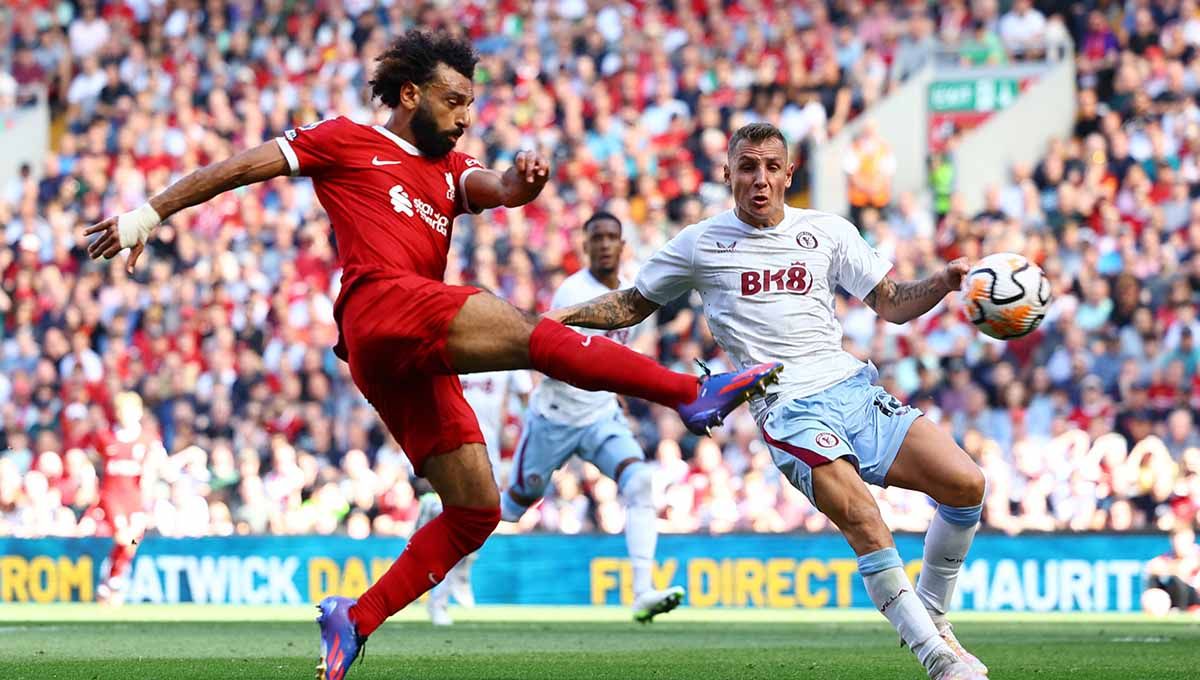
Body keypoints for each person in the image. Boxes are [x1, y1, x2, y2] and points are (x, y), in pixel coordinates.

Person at [82, 31, 780, 679]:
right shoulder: (345, 138)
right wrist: (148, 215)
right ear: (410, 94)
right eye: (453, 101)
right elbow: (242, 168)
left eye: (471, 105)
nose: (464, 117)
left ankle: (355, 618)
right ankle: (688, 394)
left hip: (395, 355)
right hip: (381, 304)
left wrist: (521, 188)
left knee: (475, 508)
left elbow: (495, 189)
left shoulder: (451, 166)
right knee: (536, 336)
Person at [549, 123, 988, 680]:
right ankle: (939, 659)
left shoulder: (828, 231)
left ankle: (931, 614)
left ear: (788, 174)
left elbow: (894, 304)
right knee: (863, 516)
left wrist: (944, 281)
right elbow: (633, 305)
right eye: (747, 168)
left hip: (854, 388)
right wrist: (561, 318)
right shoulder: (700, 242)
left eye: (770, 167)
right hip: (787, 407)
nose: (759, 180)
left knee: (966, 484)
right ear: (728, 174)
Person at [502, 211, 685, 623]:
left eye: (611, 237)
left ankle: (643, 592)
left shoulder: (636, 292)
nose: (604, 244)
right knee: (511, 510)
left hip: (599, 415)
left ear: (623, 245)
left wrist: (615, 391)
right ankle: (447, 573)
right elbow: (560, 358)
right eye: (596, 237)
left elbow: (617, 355)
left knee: (640, 480)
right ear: (585, 246)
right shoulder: (572, 293)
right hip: (556, 416)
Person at [424, 363, 532, 626]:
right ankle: (439, 601)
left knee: (487, 517)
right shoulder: (453, 346)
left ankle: (435, 515)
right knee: (459, 520)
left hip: (489, 448)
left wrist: (525, 440)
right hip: (451, 444)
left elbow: (528, 399)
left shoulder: (507, 350)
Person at [89, 392, 164, 606]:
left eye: (129, 411)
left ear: (139, 412)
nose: (124, 415)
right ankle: (113, 580)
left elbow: (156, 467)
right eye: (121, 411)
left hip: (136, 499)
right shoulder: (105, 437)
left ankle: (111, 579)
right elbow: (91, 460)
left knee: (131, 543)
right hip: (113, 498)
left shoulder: (148, 439)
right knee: (123, 537)